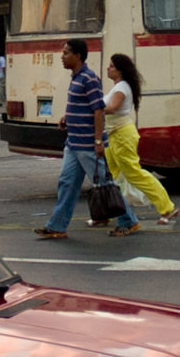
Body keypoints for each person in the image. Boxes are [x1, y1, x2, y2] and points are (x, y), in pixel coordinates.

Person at [38, 39, 110, 240]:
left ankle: (128, 220)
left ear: (77, 56)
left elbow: (98, 110)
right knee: (67, 183)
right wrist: (67, 118)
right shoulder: (76, 78)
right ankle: (57, 226)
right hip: (73, 143)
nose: (62, 57)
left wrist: (98, 142)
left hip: (87, 144)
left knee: (105, 185)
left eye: (66, 53)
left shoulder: (89, 78)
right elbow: (82, 106)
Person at [102, 53, 178, 229]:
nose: (108, 68)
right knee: (112, 175)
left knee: (133, 173)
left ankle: (166, 207)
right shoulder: (117, 86)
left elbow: (112, 108)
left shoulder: (121, 87)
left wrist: (93, 107)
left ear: (120, 70)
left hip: (122, 135)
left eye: (111, 66)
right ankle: (109, 212)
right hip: (112, 135)